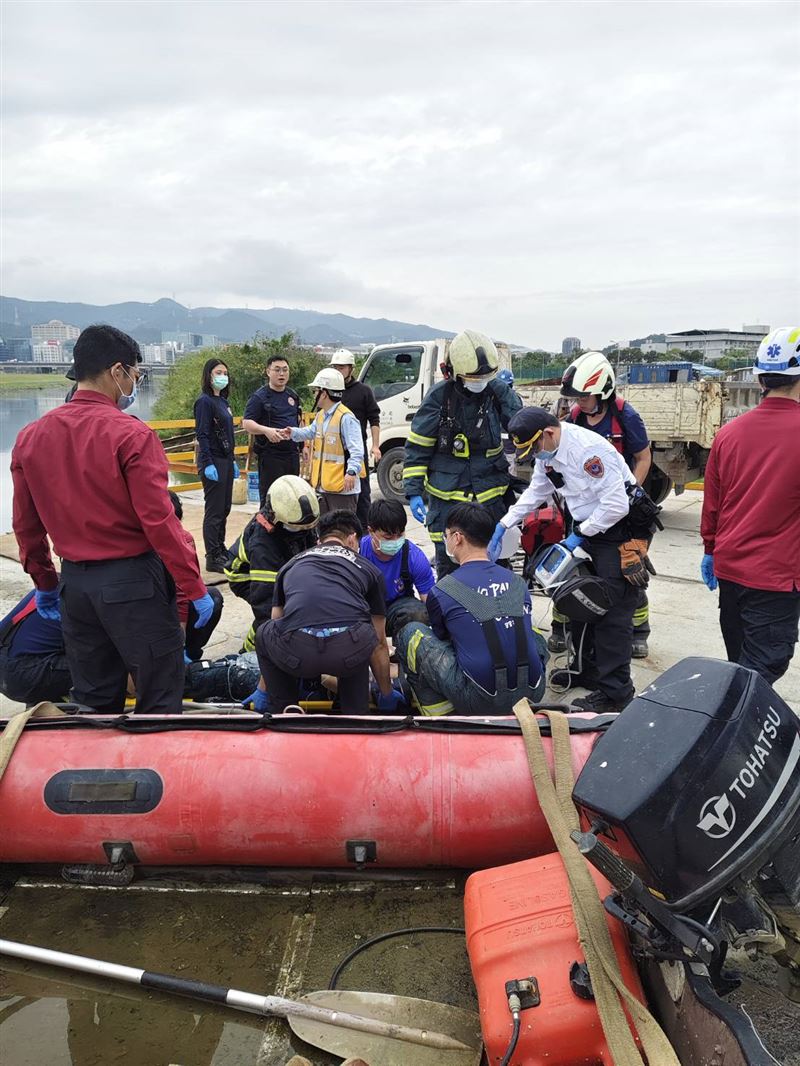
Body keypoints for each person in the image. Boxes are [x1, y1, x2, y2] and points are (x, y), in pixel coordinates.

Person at [11, 324, 213, 714]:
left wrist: (46, 582)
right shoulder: (130, 435)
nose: (135, 382)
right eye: (135, 374)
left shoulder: (31, 436)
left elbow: (26, 526)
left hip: (76, 587)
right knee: (158, 697)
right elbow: (159, 522)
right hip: (133, 582)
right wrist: (194, 585)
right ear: (117, 371)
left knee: (94, 700)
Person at [490, 407, 651, 714]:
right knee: (581, 604)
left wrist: (581, 535)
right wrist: (505, 523)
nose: (534, 456)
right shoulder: (548, 455)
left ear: (548, 434)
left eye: (534, 448)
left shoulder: (587, 451)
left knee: (612, 614)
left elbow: (616, 504)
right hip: (588, 529)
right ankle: (586, 671)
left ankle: (616, 691)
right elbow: (537, 490)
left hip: (618, 530)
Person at [0, 493, 223, 705]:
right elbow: (134, 675)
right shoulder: (119, 587)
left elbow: (179, 593)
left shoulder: (85, 574)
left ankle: (54, 686)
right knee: (112, 670)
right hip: (20, 672)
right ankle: (55, 697)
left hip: (16, 654)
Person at [700, 326, 800, 685]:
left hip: (731, 571)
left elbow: (712, 504)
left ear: (760, 377)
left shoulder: (729, 434)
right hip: (776, 579)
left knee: (741, 665)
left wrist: (711, 549)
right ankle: (735, 735)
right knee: (759, 675)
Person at [394, 502, 546, 716]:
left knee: (411, 633)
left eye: (446, 535)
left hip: (479, 699)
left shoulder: (444, 590)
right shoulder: (517, 582)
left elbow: (443, 640)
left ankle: (440, 714)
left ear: (457, 538)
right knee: (532, 630)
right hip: (533, 692)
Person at [551, 351, 654, 658]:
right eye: (576, 397)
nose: (578, 403)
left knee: (628, 573)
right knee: (576, 572)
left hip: (616, 510)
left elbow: (643, 457)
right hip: (583, 511)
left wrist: (629, 495)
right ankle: (564, 628)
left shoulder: (626, 417)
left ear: (604, 391)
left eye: (584, 397)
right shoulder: (574, 418)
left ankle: (639, 631)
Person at [249, 510, 402, 714]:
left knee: (264, 632)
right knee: (362, 633)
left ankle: (283, 710)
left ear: (319, 540)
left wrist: (263, 687)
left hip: (297, 655)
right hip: (347, 655)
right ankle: (356, 713)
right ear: (352, 538)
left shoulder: (291, 565)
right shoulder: (368, 569)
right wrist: (386, 693)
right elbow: (379, 643)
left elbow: (277, 624)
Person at [402, 330, 521, 577]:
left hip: (491, 496)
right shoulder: (439, 397)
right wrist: (413, 491)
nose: (479, 381)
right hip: (448, 499)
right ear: (453, 373)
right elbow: (418, 446)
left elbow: (521, 423)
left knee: (496, 564)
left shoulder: (497, 392)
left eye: (485, 377)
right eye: (472, 377)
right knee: (449, 569)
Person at [225, 474, 320, 652]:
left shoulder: (298, 522)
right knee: (274, 613)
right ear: (274, 517)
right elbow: (265, 601)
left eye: (306, 527)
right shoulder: (263, 544)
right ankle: (250, 652)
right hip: (243, 577)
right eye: (297, 527)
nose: (302, 531)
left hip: (280, 564)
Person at [284, 368, 365, 513]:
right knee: (324, 531)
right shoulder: (321, 415)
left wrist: (351, 473)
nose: (314, 394)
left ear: (324, 393)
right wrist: (292, 432)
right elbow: (310, 431)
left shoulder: (346, 418)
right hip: (323, 485)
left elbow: (357, 450)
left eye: (316, 391)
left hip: (343, 489)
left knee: (341, 531)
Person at [359, 498, 435, 636]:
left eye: (399, 535)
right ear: (371, 531)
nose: (395, 541)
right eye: (387, 537)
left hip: (397, 609)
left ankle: (401, 648)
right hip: (365, 611)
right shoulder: (358, 552)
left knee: (419, 614)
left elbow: (430, 601)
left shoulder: (414, 557)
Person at [328, 348, 382, 529]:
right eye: (335, 367)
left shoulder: (363, 391)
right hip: (333, 452)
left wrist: (375, 446)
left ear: (351, 368)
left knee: (363, 493)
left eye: (341, 367)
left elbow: (374, 419)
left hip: (357, 452)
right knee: (335, 493)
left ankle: (363, 532)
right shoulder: (329, 390)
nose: (338, 371)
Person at [195, 357, 239, 572]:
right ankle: (212, 555)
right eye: (218, 373)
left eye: (225, 373)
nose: (222, 376)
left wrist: (233, 460)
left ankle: (220, 549)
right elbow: (202, 434)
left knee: (225, 508)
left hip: (226, 460)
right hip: (213, 461)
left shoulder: (223, 401)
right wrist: (207, 462)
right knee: (214, 510)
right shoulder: (204, 402)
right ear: (208, 375)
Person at [241, 353, 303, 506]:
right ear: (268, 372)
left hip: (292, 455)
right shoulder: (259, 397)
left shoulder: (292, 396)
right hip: (271, 456)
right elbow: (247, 423)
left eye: (285, 370)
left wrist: (304, 445)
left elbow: (299, 421)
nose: (281, 374)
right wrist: (266, 430)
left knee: (291, 498)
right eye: (277, 370)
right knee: (271, 500)